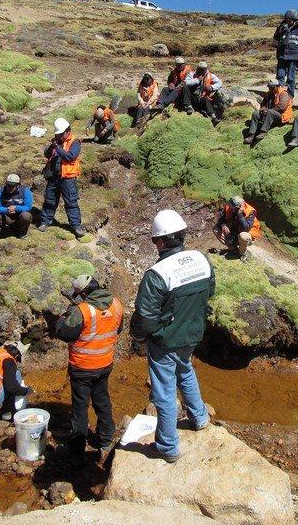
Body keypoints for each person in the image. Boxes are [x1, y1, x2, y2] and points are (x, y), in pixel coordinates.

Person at [130, 210, 215, 462]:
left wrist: (137, 335)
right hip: (193, 333)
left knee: (164, 391)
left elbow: (145, 316)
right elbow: (209, 292)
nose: (155, 244)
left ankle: (167, 446)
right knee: (185, 369)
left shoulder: (157, 274)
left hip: (165, 340)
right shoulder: (202, 260)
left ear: (161, 241)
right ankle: (199, 417)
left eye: (155, 240)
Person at [54, 275, 123, 460]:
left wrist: (62, 318)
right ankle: (106, 439)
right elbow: (118, 328)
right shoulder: (116, 304)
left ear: (84, 293)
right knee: (102, 400)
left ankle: (77, 447)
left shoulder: (82, 310)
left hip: (83, 367)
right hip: (105, 363)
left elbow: (65, 334)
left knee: (80, 406)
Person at [39, 118, 86, 238]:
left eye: (60, 134)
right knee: (49, 200)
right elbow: (47, 154)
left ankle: (76, 226)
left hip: (67, 178)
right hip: (54, 177)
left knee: (71, 202)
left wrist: (57, 148)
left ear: (67, 131)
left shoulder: (75, 142)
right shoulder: (57, 141)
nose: (58, 136)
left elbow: (70, 156)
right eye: (57, 134)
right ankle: (45, 221)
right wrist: (51, 147)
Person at [245, 78, 293, 144]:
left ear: (276, 87)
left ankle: (263, 132)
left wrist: (268, 110)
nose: (269, 88)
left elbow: (282, 107)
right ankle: (251, 135)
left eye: (271, 87)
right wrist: (263, 109)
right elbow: (263, 104)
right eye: (269, 87)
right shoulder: (268, 94)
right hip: (269, 115)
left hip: (281, 117)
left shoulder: (283, 94)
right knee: (255, 114)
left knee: (271, 112)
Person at [273, 9, 298, 98]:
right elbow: (276, 38)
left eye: (289, 19)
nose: (287, 21)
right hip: (282, 55)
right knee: (280, 75)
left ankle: (290, 96)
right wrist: (279, 35)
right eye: (286, 19)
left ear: (294, 19)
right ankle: (279, 94)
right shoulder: (281, 26)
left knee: (291, 77)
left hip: (294, 56)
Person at [213, 196, 261, 261]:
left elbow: (246, 228)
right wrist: (223, 225)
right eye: (230, 205)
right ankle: (233, 249)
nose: (230, 207)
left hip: (248, 234)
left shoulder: (250, 211)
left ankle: (243, 253)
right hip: (234, 231)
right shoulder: (228, 206)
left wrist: (240, 215)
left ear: (238, 207)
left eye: (232, 207)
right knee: (215, 229)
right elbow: (221, 218)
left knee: (243, 236)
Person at [0, 173, 33, 238]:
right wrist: (6, 210)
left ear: (18, 185)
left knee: (26, 216)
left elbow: (28, 207)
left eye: (12, 186)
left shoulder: (25, 190)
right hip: (7, 217)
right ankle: (4, 230)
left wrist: (16, 208)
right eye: (8, 185)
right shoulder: (0, 191)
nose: (9, 187)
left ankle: (22, 232)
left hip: (20, 218)